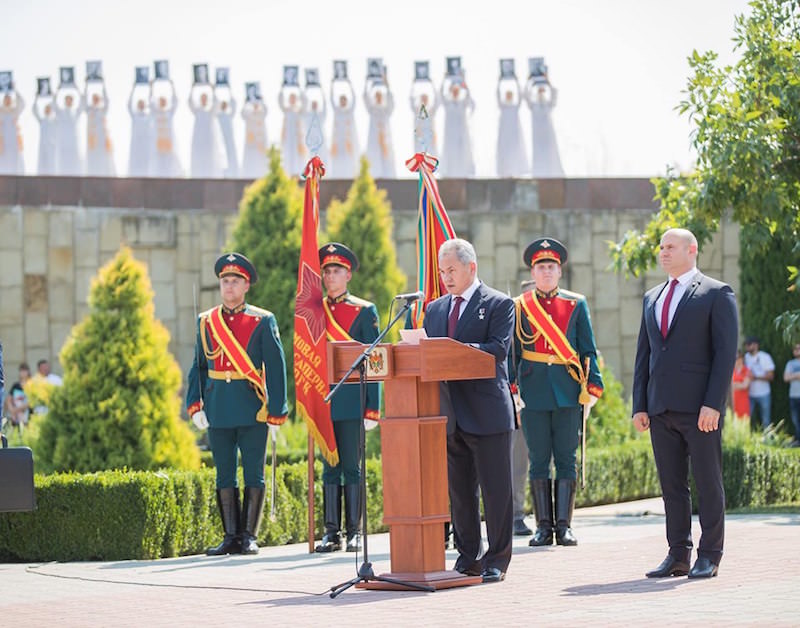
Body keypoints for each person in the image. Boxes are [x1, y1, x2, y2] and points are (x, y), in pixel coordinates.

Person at [633, 227, 738, 579]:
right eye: (661, 246)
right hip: (660, 408)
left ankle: (710, 554)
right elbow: (644, 355)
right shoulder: (652, 297)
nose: (663, 252)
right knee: (672, 486)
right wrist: (640, 404)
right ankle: (678, 554)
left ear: (692, 250)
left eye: (671, 246)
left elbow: (725, 354)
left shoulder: (716, 293)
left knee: (708, 482)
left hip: (699, 410)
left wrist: (714, 404)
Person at [423, 238, 515, 584]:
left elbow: (496, 352)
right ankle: (468, 556)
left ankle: (497, 560)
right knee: (460, 493)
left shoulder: (498, 303)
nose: (446, 277)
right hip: (450, 414)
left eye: (452, 270)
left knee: (496, 492)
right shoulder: (434, 309)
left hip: (487, 412)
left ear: (471, 267)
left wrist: (453, 350)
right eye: (442, 271)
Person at [186, 253, 288, 555]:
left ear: (246, 286)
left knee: (253, 472)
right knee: (224, 473)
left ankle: (249, 536)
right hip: (218, 408)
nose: (229, 287)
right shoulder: (206, 321)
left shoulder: (262, 319)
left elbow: (276, 367)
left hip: (252, 407)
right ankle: (230, 536)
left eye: (235, 281)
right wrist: (195, 404)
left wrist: (277, 411)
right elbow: (198, 366)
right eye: (224, 281)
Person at [511, 238, 603, 547]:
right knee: (538, 460)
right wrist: (513, 392)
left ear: (559, 271)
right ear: (533, 272)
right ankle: (542, 527)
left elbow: (588, 348)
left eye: (551, 266)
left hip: (567, 392)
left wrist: (592, 387)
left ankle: (564, 526)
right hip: (533, 392)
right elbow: (512, 353)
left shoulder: (576, 304)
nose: (546, 272)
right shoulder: (520, 305)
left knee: (566, 458)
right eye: (541, 267)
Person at [314, 243, 380, 553]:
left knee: (352, 467)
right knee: (329, 468)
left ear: (348, 274)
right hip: (323, 399)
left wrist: (372, 408)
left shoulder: (364, 311)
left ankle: (354, 531)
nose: (330, 276)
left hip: (353, 398)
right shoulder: (313, 312)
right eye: (326, 271)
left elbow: (374, 360)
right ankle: (331, 532)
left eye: (336, 270)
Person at [524, 58, 564, 178]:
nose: (541, 94)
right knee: (539, 155)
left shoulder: (548, 105)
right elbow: (526, 96)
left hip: (547, 134)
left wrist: (548, 81)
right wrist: (529, 82)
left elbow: (554, 94)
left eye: (542, 92)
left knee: (550, 154)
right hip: (537, 135)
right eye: (539, 92)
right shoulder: (534, 106)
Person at [440, 64, 475, 178]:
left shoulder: (462, 104)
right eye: (453, 90)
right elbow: (441, 95)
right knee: (450, 153)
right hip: (450, 134)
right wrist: (444, 80)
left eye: (457, 90)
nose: (455, 92)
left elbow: (469, 98)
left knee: (461, 152)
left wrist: (464, 81)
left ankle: (462, 173)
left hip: (460, 133)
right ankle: (449, 173)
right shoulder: (448, 103)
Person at [496, 59, 529, 177]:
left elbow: (520, 96)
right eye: (507, 95)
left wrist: (516, 81)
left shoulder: (515, 107)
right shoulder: (504, 107)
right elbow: (498, 96)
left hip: (514, 133)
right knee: (505, 151)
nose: (509, 97)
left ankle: (516, 171)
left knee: (515, 151)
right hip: (505, 133)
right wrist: (500, 82)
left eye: (511, 95)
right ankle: (505, 171)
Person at [329, 62, 359, 179]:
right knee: (337, 159)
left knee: (349, 159)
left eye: (344, 100)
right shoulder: (337, 111)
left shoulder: (349, 111)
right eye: (341, 100)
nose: (343, 102)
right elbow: (331, 99)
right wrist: (332, 84)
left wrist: (349, 84)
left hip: (348, 141)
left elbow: (355, 99)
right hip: (338, 141)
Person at [364, 72, 395, 178]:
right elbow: (365, 98)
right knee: (374, 156)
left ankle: (387, 176)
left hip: (385, 138)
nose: (378, 98)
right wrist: (367, 83)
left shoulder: (386, 110)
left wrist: (387, 85)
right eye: (376, 96)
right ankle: (374, 175)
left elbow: (391, 100)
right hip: (374, 138)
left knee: (386, 157)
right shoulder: (372, 110)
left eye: (380, 96)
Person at [743, 336, 774, 428]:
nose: (747, 347)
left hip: (764, 393)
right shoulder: (745, 357)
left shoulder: (765, 357)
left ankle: (767, 440)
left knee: (766, 419)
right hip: (749, 394)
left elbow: (771, 376)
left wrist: (755, 377)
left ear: (756, 345)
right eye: (746, 345)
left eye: (749, 345)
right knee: (747, 419)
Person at [240, 82, 268, 179]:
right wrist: (246, 102)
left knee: (262, 162)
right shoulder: (249, 115)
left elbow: (265, 109)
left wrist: (260, 100)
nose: (256, 106)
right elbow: (242, 113)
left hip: (261, 144)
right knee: (251, 161)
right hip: (251, 143)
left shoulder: (261, 114)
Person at [4, 363, 31, 434]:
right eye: (21, 371)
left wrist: (16, 410)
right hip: (15, 417)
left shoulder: (31, 385)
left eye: (25, 371)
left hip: (27, 416)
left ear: (28, 372)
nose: (23, 373)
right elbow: (8, 399)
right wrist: (11, 410)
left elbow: (31, 401)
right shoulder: (16, 385)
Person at [783, 343, 800, 445]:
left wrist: (792, 375)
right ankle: (798, 440)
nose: (797, 350)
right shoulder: (790, 363)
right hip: (793, 396)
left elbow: (789, 376)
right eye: (795, 349)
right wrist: (797, 375)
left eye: (799, 348)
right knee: (796, 420)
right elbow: (786, 378)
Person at [730, 350, 751, 421]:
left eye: (737, 358)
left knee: (744, 422)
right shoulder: (731, 370)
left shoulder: (747, 370)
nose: (735, 360)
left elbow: (745, 385)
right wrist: (739, 384)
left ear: (742, 358)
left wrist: (733, 385)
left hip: (743, 401)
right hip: (732, 401)